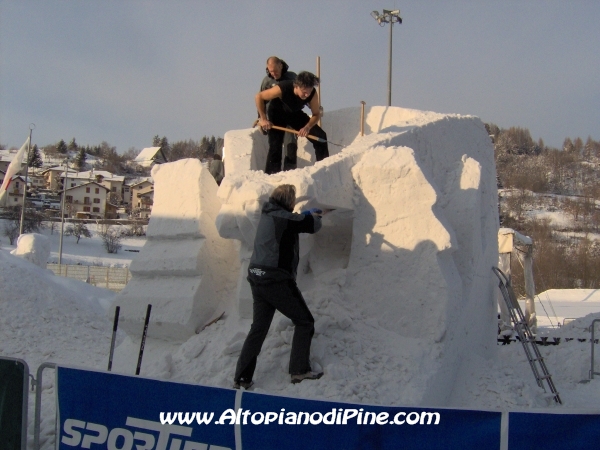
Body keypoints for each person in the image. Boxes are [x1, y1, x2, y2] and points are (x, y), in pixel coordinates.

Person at [234, 184, 324, 388]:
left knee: (258, 329)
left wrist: (304, 216)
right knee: (305, 322)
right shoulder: (282, 217)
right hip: (275, 279)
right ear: (287, 201)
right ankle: (299, 370)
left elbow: (293, 223)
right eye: (292, 201)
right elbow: (311, 226)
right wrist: (314, 215)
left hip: (257, 277)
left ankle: (242, 378)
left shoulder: (269, 214)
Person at [255, 71, 329, 175]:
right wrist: (263, 118)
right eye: (304, 92)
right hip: (277, 114)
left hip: (294, 114)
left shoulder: (311, 94)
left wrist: (307, 127)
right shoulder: (283, 87)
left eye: (309, 91)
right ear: (296, 86)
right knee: (275, 147)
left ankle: (324, 170)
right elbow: (259, 97)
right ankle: (271, 177)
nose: (307, 95)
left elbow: (316, 114)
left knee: (321, 137)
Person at [259, 56, 298, 172]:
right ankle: (271, 175)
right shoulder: (267, 81)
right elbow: (261, 100)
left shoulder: (292, 77)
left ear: (281, 66)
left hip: (290, 118)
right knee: (274, 148)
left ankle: (290, 174)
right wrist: (261, 119)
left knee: (290, 145)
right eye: (270, 71)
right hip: (273, 119)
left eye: (275, 71)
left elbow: (301, 96)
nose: (273, 74)